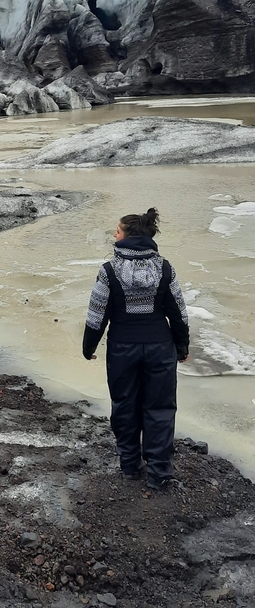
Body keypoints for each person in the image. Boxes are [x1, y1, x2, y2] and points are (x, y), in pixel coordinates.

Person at [82, 207, 189, 490]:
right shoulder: (165, 268)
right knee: (160, 408)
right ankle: (159, 473)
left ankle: (130, 466)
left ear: (127, 237)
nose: (114, 236)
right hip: (160, 348)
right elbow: (177, 311)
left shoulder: (108, 270)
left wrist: (88, 346)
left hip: (122, 349)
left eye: (116, 231)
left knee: (125, 405)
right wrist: (182, 345)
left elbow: (97, 313)